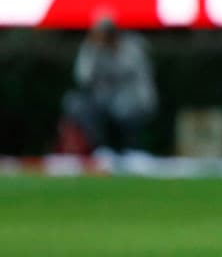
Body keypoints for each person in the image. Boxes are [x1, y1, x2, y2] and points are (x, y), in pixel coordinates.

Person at [58, 16, 158, 154]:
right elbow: (82, 78)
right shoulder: (92, 48)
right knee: (75, 103)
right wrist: (92, 51)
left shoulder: (132, 46)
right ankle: (101, 148)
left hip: (134, 99)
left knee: (124, 107)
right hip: (104, 101)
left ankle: (133, 149)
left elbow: (134, 75)